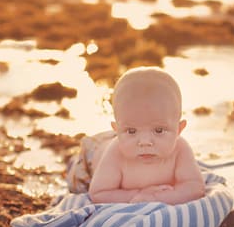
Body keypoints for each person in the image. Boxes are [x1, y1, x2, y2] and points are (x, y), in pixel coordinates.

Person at [88, 67, 205, 205]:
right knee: (75, 181)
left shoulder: (180, 149)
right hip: (92, 153)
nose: (144, 142)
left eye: (159, 130)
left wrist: (156, 198)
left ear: (179, 129)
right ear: (117, 131)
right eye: (131, 131)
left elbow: (195, 187)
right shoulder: (115, 153)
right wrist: (138, 195)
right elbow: (98, 194)